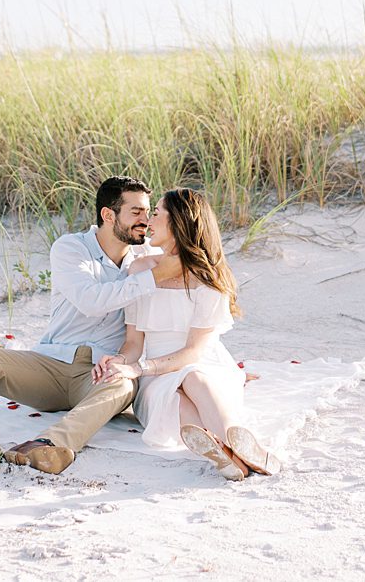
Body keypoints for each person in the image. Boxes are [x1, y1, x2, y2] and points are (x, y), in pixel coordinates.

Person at [0, 175, 182, 474]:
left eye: (148, 212)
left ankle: (50, 444)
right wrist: (152, 278)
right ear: (108, 215)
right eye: (136, 212)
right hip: (51, 365)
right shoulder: (70, 248)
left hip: (98, 374)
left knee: (124, 384)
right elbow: (91, 301)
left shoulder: (148, 257)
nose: (145, 221)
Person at [94, 187, 280, 481]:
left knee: (192, 376)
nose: (148, 220)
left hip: (206, 369)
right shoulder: (141, 270)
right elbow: (133, 342)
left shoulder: (209, 278)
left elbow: (194, 352)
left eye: (156, 213)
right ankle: (229, 454)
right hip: (157, 381)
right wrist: (119, 362)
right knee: (175, 400)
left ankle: (235, 444)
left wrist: (138, 367)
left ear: (178, 222)